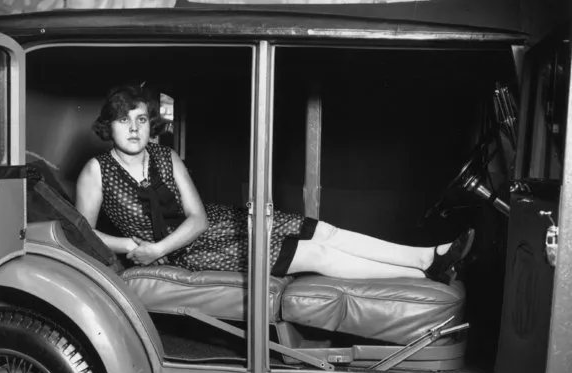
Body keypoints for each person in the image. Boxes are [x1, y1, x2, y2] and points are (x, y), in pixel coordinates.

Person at [76, 85, 474, 283]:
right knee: (314, 254)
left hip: (211, 226)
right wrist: (130, 246)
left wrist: (156, 245)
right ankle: (422, 275)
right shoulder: (96, 171)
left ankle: (426, 255)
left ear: (151, 124)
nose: (133, 128)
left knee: (325, 231)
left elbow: (196, 219)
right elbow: (79, 234)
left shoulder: (166, 157)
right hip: (185, 257)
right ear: (107, 125)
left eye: (141, 119)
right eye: (123, 119)